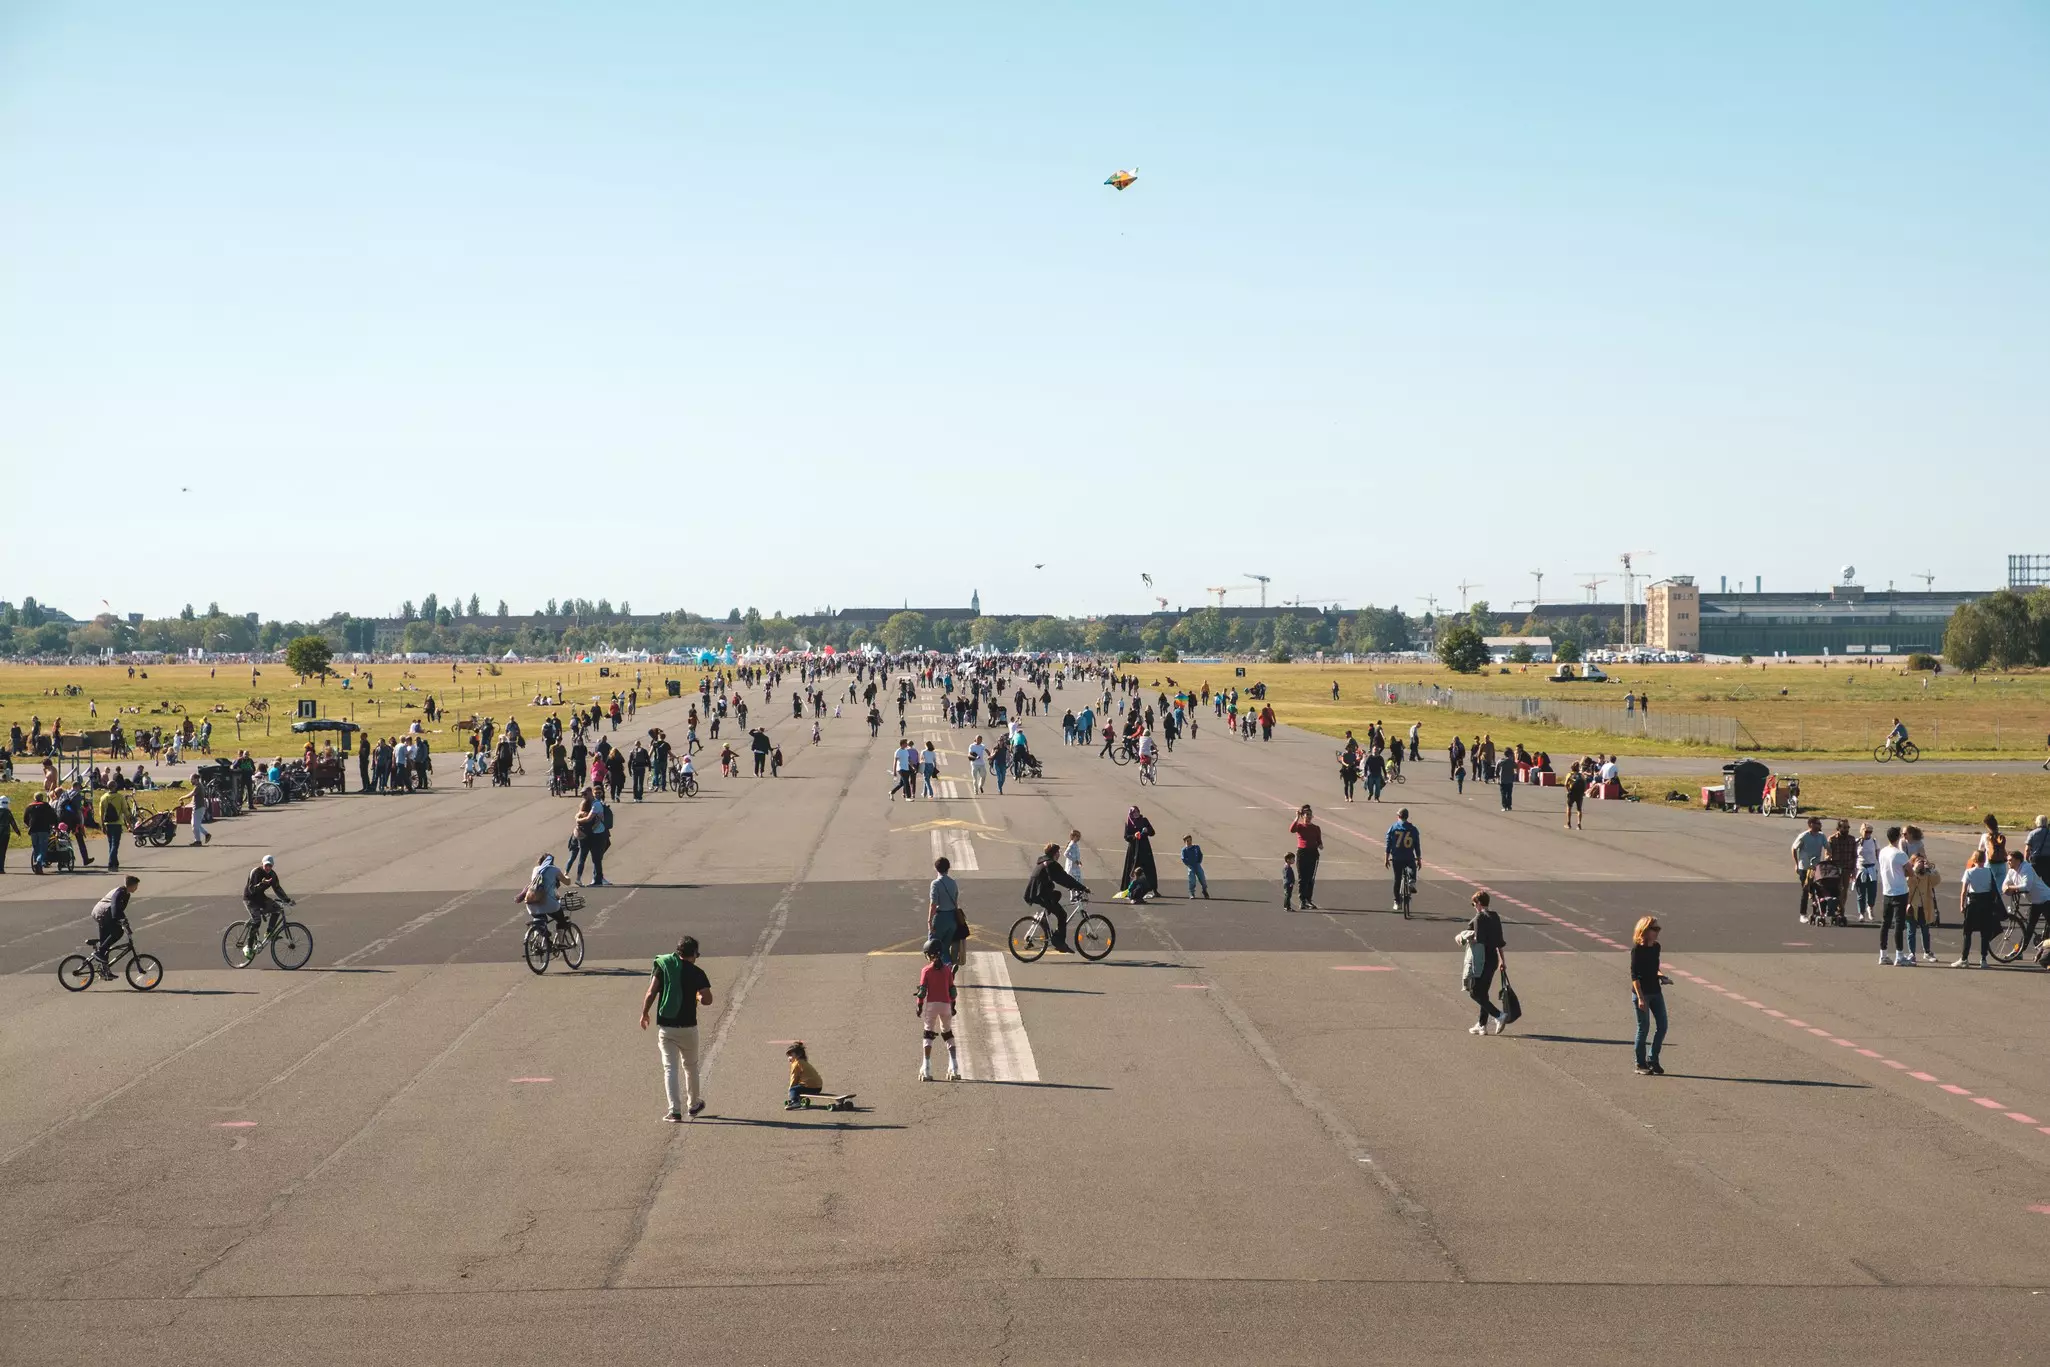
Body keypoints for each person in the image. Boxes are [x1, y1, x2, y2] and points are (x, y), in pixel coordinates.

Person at [640, 935, 714, 1121]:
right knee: (690, 1066)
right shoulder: (697, 972)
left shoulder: (664, 967)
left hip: (666, 1026)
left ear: (678, 951)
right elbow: (707, 1000)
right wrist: (697, 996)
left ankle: (674, 1111)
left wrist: (645, 1013)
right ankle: (694, 1104)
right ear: (694, 954)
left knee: (670, 1068)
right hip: (688, 1027)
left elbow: (651, 993)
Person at [1025, 842, 1088, 951]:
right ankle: (1059, 942)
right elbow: (1064, 878)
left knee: (1057, 894)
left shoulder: (1044, 862)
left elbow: (1061, 879)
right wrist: (1082, 888)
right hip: (1040, 893)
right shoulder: (1052, 864)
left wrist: (1072, 886)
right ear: (1054, 853)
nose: (1059, 854)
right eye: (1058, 852)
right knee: (1062, 914)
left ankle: (1044, 918)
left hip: (1034, 892)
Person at [1630, 916, 1671, 1075]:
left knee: (1662, 1026)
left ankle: (1653, 1059)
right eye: (1655, 929)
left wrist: (1661, 976)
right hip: (1642, 994)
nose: (1657, 932)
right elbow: (1634, 976)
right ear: (1645, 931)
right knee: (1644, 1028)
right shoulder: (1637, 950)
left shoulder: (1656, 947)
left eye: (1658, 929)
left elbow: (1654, 968)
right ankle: (1640, 1064)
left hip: (1656, 992)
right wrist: (1640, 998)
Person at [914, 947, 960, 1082]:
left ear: (929, 955)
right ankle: (954, 1066)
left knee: (928, 1033)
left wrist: (919, 1005)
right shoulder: (947, 970)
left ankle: (926, 1068)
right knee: (947, 1033)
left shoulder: (926, 970)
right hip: (946, 1005)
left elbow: (922, 991)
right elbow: (952, 991)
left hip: (932, 1005)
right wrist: (953, 1006)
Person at [1465, 890, 1508, 1034]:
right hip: (1493, 960)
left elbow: (1479, 940)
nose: (1474, 906)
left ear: (1478, 903)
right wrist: (1502, 960)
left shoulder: (1479, 919)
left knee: (1474, 992)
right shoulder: (1495, 917)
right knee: (1483, 992)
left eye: (1473, 904)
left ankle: (1498, 1015)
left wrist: (1465, 937)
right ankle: (1482, 1025)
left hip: (1481, 960)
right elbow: (1499, 941)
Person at [1998, 850, 2050, 955]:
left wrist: (2010, 888)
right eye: (2007, 860)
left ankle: (2046, 947)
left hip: (2046, 899)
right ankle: (2018, 952)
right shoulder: (2011, 871)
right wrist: (2007, 888)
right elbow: (2004, 886)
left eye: (2010, 860)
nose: (2008, 862)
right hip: (2035, 901)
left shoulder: (2027, 869)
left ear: (2018, 860)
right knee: (2029, 928)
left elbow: (2026, 886)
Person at [1956, 851, 2002, 968]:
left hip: (1973, 902)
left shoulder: (1969, 872)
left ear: (1974, 859)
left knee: (1968, 932)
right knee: (1984, 932)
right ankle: (1983, 959)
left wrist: (1962, 905)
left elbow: (1964, 891)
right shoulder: (1988, 871)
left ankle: (1964, 958)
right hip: (1986, 903)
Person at [90, 875, 140, 976]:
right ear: (131, 885)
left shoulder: (126, 894)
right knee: (118, 932)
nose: (137, 888)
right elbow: (115, 908)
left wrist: (124, 922)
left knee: (105, 944)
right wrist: (123, 923)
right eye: (136, 885)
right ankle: (99, 952)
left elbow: (120, 912)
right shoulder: (120, 892)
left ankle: (105, 971)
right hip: (102, 913)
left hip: (105, 914)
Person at [1876, 826, 1911, 966]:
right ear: (1898, 837)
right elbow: (1910, 872)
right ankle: (1899, 955)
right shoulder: (1900, 854)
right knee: (1899, 924)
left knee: (1885, 923)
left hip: (1887, 891)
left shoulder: (1883, 852)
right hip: (1900, 891)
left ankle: (1883, 954)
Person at [520, 852, 568, 940]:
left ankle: (537, 938)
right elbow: (567, 882)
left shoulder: (536, 869)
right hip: (548, 903)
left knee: (540, 918)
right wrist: (566, 876)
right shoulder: (554, 869)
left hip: (531, 902)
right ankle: (561, 942)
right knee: (561, 920)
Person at [928, 856, 965, 966]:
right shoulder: (953, 883)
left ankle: (936, 971)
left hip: (940, 918)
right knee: (945, 947)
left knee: (932, 946)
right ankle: (948, 966)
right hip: (952, 919)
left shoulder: (935, 884)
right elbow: (956, 900)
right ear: (948, 868)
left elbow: (933, 904)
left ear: (936, 868)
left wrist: (929, 921)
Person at [1791, 817, 1828, 921]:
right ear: (1811, 824)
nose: (1820, 825)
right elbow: (1794, 848)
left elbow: (1827, 848)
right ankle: (1803, 914)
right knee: (1806, 890)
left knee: (1819, 890)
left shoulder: (1821, 836)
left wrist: (1827, 857)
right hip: (1804, 867)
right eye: (1818, 823)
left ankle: (1818, 912)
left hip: (1817, 867)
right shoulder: (1804, 836)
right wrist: (1796, 863)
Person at [1118, 807, 1158, 903]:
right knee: (1132, 868)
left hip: (1144, 848)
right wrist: (1134, 836)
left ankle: (1153, 888)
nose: (1136, 814)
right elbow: (1126, 837)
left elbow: (1152, 832)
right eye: (1134, 812)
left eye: (1137, 812)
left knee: (1149, 867)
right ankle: (1128, 889)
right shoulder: (1129, 823)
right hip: (1134, 849)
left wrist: (1147, 830)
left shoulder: (1144, 820)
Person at [1385, 808, 1421, 912]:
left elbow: (1388, 843)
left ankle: (1397, 901)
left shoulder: (1393, 827)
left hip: (1397, 857)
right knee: (1412, 867)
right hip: (1409, 856)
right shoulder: (1413, 829)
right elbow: (1417, 845)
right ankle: (1412, 881)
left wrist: (1386, 858)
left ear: (1398, 816)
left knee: (1397, 879)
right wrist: (1418, 858)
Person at [1288, 805, 1322, 910]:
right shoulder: (1300, 827)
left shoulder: (1316, 828)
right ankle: (1302, 900)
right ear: (1303, 816)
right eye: (1306, 815)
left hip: (1313, 853)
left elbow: (1319, 840)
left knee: (1311, 878)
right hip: (1302, 853)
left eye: (1310, 815)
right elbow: (1292, 829)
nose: (1308, 817)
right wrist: (1296, 817)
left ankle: (1308, 900)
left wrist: (1320, 845)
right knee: (1302, 878)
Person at [96, 787, 130, 872]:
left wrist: (102, 824)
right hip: (117, 823)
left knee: (111, 843)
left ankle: (115, 861)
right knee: (115, 844)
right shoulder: (120, 797)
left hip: (108, 823)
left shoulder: (103, 797)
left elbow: (101, 812)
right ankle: (111, 861)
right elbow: (125, 810)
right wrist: (128, 822)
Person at [785, 1041, 827, 1108]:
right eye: (788, 1056)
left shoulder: (796, 1064)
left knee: (793, 1089)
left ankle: (795, 1102)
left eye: (791, 1055)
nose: (789, 1058)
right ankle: (798, 1099)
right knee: (799, 1086)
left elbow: (794, 1078)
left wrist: (790, 1090)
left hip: (810, 1087)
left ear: (798, 1055)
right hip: (818, 1087)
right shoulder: (804, 1062)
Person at [1853, 822, 1881, 922]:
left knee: (1872, 892)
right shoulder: (1857, 842)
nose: (1868, 833)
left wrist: (1880, 867)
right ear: (1862, 831)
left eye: (1870, 832)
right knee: (1861, 893)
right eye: (1866, 831)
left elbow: (1878, 856)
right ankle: (1861, 913)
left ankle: (1870, 908)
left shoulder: (1874, 841)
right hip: (1861, 869)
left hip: (1872, 869)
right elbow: (1854, 856)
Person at [1181, 835, 1209, 899]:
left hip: (1197, 865)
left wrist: (1199, 861)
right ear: (1185, 842)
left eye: (1190, 840)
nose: (1189, 842)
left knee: (1202, 878)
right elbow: (1183, 858)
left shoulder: (1196, 847)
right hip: (1191, 867)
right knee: (1192, 880)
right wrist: (1188, 864)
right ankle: (1192, 892)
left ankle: (1204, 890)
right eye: (1187, 841)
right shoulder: (1184, 850)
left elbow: (1200, 854)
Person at [1564, 763, 1587, 831]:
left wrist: (1568, 790)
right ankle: (1579, 824)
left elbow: (1565, 784)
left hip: (1572, 792)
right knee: (1579, 809)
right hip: (1579, 793)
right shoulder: (1581, 775)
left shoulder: (1570, 774)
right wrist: (1583, 792)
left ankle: (1568, 823)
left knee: (1569, 807)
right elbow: (1585, 784)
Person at [0, 795, 20, 874]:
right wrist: (17, 832)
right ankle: (1, 868)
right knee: (2, 851)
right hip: (5, 834)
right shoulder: (8, 812)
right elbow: (13, 823)